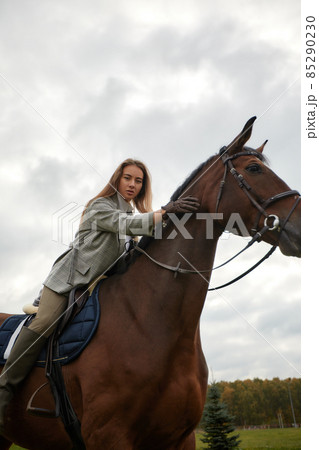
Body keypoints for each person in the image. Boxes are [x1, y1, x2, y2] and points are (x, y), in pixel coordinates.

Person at [0, 158, 200, 432]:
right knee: (45, 321)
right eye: (127, 178)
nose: (132, 184)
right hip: (67, 282)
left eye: (138, 181)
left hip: (95, 287)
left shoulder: (132, 216)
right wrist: (167, 210)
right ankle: (4, 391)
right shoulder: (100, 207)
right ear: (117, 179)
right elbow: (128, 225)